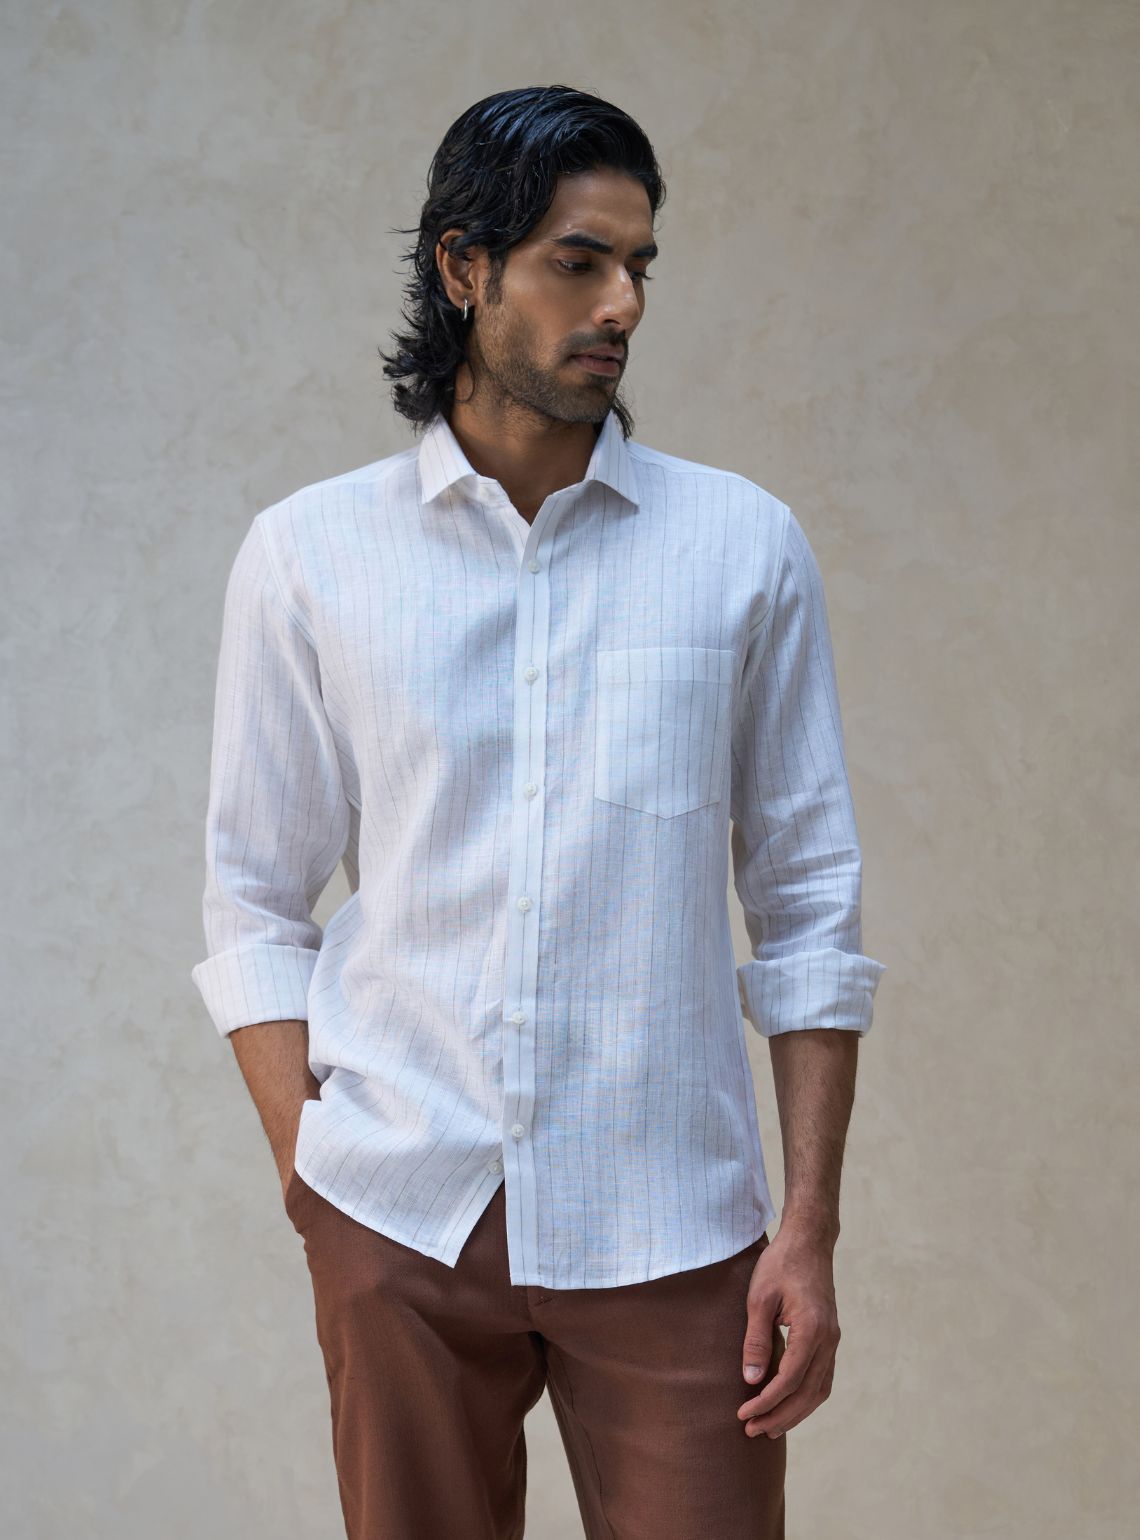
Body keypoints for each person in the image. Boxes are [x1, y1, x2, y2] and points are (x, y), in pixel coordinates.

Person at [191, 83, 887, 1540]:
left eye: (639, 265)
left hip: (675, 1220)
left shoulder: (741, 547)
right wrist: (315, 1182)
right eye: (579, 261)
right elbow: (254, 896)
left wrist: (810, 1230)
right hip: (404, 1215)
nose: (621, 302)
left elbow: (810, 909)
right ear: (464, 267)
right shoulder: (311, 556)